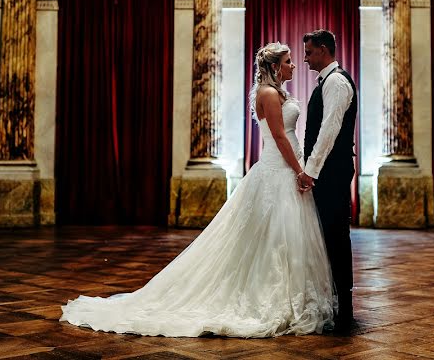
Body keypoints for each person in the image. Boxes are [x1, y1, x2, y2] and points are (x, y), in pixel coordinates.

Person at [60, 42, 336, 337]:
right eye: (288, 61)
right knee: (273, 237)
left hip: (284, 169)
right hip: (279, 169)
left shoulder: (276, 92)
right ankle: (273, 296)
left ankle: (291, 294)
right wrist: (299, 171)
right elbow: (280, 137)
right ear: (274, 67)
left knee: (283, 237)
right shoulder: (268, 94)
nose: (293, 65)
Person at [297, 29, 358, 334]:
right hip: (328, 171)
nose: (305, 58)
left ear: (323, 50)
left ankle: (345, 309)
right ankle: (335, 301)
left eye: (308, 52)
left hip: (331, 172)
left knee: (336, 235)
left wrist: (311, 169)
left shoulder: (335, 82)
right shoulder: (326, 81)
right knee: (329, 235)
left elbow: (329, 131)